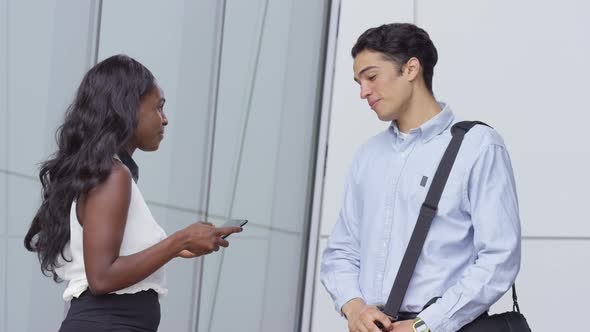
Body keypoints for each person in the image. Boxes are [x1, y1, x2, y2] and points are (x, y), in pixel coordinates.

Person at [320, 23, 521, 332]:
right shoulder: (369, 155)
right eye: (359, 82)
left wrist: (426, 325)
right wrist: (354, 306)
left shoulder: (478, 146)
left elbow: (498, 258)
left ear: (411, 68)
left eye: (371, 77)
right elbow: (341, 251)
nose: (363, 92)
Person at [23, 54, 242, 332]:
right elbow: (101, 278)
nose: (164, 119)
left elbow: (109, 263)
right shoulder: (113, 176)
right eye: (158, 108)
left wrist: (174, 249)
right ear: (127, 108)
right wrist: (179, 240)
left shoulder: (105, 173)